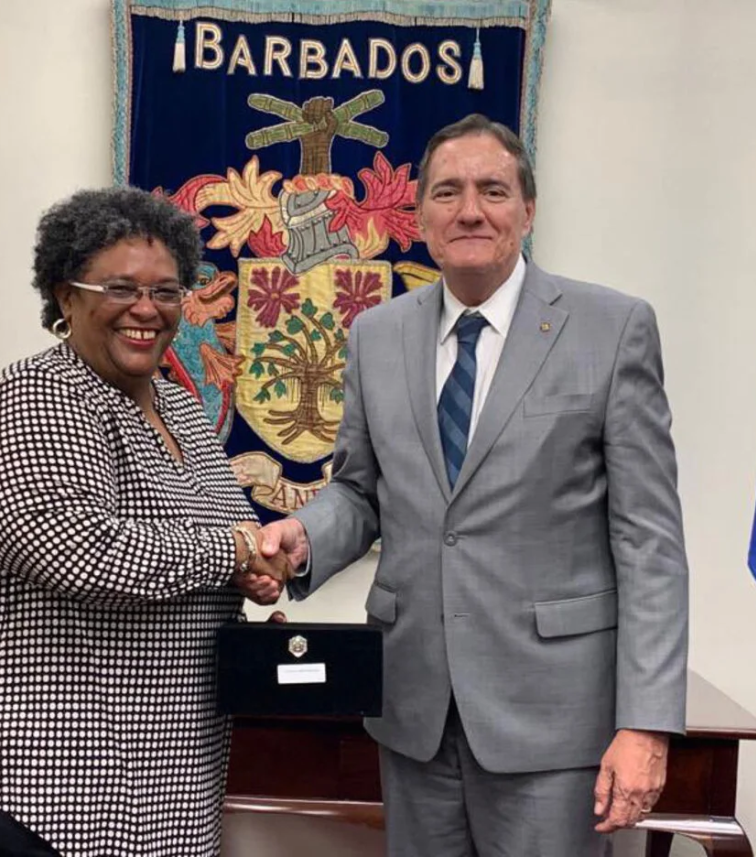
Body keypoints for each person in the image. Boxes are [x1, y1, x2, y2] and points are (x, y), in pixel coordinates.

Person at [259, 113, 689, 856]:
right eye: (447, 192)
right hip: (414, 707)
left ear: (528, 209)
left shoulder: (612, 329)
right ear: (418, 213)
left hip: (553, 720)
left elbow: (649, 540)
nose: (469, 210)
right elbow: (360, 491)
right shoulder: (375, 335)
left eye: (493, 190)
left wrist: (645, 721)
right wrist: (304, 539)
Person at [0, 187, 289, 857]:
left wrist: (254, 575)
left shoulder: (183, 410)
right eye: (119, 287)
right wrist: (232, 550)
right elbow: (77, 549)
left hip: (157, 787)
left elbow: (225, 538)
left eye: (167, 291)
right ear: (65, 295)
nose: (146, 309)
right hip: (32, 788)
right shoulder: (37, 394)